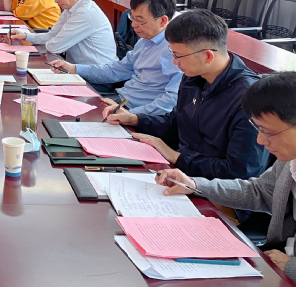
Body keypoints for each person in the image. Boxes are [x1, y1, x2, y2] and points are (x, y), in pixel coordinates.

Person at [156, 72, 296, 281]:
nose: (260, 140)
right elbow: (259, 191)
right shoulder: (289, 160)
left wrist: (291, 267)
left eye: (268, 132)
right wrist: (194, 185)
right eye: (258, 129)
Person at [104, 9, 266, 180]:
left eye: (178, 56)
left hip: (209, 187)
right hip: (179, 171)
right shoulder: (194, 76)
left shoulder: (251, 99)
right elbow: (177, 122)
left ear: (208, 56)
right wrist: (135, 119)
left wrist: (175, 156)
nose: (175, 62)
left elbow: (239, 172)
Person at [50, 0, 182, 116]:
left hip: (140, 114)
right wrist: (74, 68)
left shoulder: (175, 50)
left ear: (162, 21)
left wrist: (132, 115)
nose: (133, 25)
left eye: (140, 21)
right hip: (120, 101)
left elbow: (172, 100)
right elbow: (116, 70)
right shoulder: (144, 41)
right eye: (132, 18)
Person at [10, 0, 116, 66]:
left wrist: (47, 42)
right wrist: (25, 36)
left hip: (96, 74)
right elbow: (52, 35)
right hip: (76, 68)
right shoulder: (70, 8)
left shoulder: (84, 13)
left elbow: (54, 46)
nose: (56, 0)